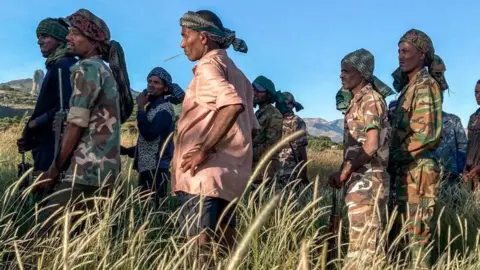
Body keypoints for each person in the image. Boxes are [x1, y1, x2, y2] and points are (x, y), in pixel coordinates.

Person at [35, 9, 133, 234]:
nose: (68, 37)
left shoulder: (87, 68)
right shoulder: (103, 70)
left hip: (85, 168)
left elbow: (76, 123)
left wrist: (55, 169)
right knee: (85, 236)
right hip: (105, 170)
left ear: (92, 41)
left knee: (43, 234)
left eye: (74, 33)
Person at [173, 9, 257, 263]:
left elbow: (231, 105)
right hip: (228, 181)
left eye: (185, 35)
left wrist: (204, 149)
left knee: (198, 255)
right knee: (224, 254)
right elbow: (251, 127)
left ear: (203, 38)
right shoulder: (239, 75)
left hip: (204, 179)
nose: (181, 43)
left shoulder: (208, 66)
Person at [328, 48, 393, 269]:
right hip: (360, 179)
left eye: (346, 70)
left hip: (369, 179)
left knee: (366, 248)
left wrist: (347, 169)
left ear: (362, 72)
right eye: (341, 70)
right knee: (360, 245)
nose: (341, 75)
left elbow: (372, 144)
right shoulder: (356, 101)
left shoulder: (371, 100)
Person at [389, 29, 446, 269]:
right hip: (407, 169)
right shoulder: (409, 88)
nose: (400, 57)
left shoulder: (425, 85)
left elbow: (425, 135)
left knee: (417, 236)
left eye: (406, 51)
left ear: (422, 55)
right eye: (398, 52)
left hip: (418, 170)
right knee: (403, 234)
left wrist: (393, 157)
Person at [17, 18, 76, 177]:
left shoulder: (63, 65)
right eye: (38, 37)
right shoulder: (57, 65)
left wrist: (33, 124)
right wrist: (31, 137)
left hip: (54, 149)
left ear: (59, 39)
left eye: (44, 36)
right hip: (47, 145)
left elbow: (67, 107)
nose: (39, 41)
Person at [121, 67, 184, 206]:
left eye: (156, 82)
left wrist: (141, 108)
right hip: (148, 168)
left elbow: (149, 135)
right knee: (146, 210)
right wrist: (126, 150)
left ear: (165, 88)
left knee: (152, 210)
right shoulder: (153, 108)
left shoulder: (165, 110)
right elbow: (151, 143)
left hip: (156, 170)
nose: (151, 84)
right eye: (149, 81)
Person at [252, 75, 283, 186]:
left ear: (268, 94)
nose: (255, 92)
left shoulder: (274, 114)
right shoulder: (257, 114)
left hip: (266, 170)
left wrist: (248, 153)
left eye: (259, 90)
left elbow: (272, 146)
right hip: (255, 168)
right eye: (253, 89)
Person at [275, 91, 309, 187]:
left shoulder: (296, 121)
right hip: (275, 168)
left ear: (290, 105)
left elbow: (301, 148)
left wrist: (303, 173)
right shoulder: (275, 119)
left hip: (291, 170)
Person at [435, 109, 467, 185]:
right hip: (426, 171)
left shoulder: (453, 120)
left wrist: (461, 170)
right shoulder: (419, 121)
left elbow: (462, 146)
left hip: (450, 172)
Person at [464, 80, 480, 189]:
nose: (477, 95)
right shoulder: (473, 117)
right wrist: (465, 168)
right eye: (476, 92)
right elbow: (469, 145)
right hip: (472, 173)